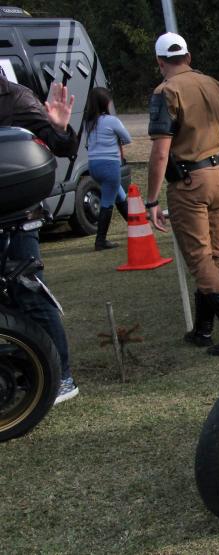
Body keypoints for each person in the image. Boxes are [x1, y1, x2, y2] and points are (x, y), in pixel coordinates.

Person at [145, 32, 219, 356]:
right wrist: (216, 158)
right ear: (189, 57)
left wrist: (151, 200)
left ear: (159, 62)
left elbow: (160, 153)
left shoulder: (165, 91)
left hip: (188, 184)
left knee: (199, 260)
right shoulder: (213, 85)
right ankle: (203, 330)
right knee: (213, 257)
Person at [0, 74, 81, 403]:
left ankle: (62, 376)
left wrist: (59, 127)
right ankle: (25, 371)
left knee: (30, 294)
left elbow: (59, 145)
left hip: (21, 217)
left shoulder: (17, 99)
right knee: (7, 301)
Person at [85, 87, 131, 250]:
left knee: (120, 196)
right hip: (110, 165)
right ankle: (100, 240)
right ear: (106, 103)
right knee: (107, 202)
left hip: (93, 166)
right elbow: (127, 138)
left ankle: (136, 228)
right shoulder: (112, 121)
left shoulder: (89, 122)